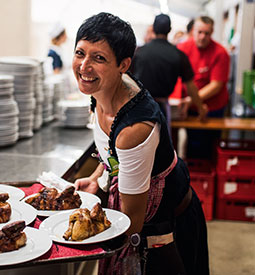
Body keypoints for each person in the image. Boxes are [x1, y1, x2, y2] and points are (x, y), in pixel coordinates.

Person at [72, 12, 209, 275]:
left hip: (164, 230)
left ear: (123, 65)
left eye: (99, 58)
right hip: (139, 212)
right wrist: (98, 179)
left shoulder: (134, 129)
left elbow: (131, 223)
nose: (84, 66)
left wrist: (75, 235)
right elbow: (111, 154)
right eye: (80, 53)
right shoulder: (102, 90)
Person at [131, 14, 207, 131]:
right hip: (162, 108)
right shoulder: (178, 55)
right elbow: (191, 87)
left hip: (138, 107)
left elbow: (125, 78)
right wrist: (201, 108)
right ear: (170, 30)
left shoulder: (139, 52)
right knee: (161, 144)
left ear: (154, 29)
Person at [178, 16, 230, 159]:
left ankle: (208, 178)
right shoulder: (182, 49)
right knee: (192, 147)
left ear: (212, 32)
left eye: (206, 33)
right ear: (193, 31)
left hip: (212, 109)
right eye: (200, 32)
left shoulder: (220, 53)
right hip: (188, 107)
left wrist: (191, 100)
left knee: (209, 148)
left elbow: (216, 85)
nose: (202, 37)